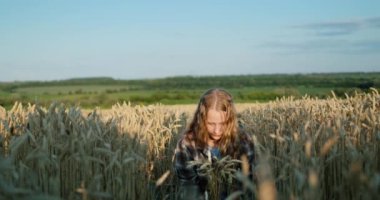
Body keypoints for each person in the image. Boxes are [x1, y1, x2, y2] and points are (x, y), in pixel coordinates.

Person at [174, 88, 255, 200]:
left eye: (223, 124)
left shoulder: (244, 141)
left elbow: (247, 186)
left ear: (230, 120)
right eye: (211, 124)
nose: (217, 131)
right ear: (201, 119)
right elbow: (189, 190)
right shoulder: (186, 145)